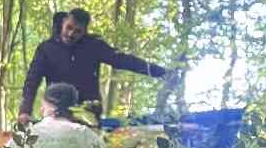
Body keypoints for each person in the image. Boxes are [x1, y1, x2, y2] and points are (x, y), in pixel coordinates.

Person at [18, 8, 171, 124]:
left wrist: (160, 72)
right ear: (63, 23)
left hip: (88, 112)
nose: (71, 34)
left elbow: (123, 60)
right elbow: (32, 81)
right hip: (57, 112)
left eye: (77, 31)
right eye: (69, 28)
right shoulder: (46, 49)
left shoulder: (93, 46)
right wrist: (24, 111)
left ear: (85, 32)